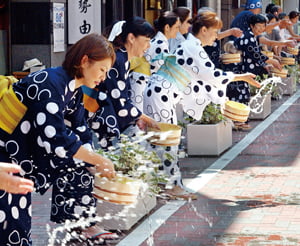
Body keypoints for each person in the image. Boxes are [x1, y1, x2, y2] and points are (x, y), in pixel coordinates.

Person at [0, 33, 116, 245]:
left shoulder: (72, 89)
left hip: (13, 158)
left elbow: (80, 131)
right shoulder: (51, 83)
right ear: (84, 61)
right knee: (10, 223)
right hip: (4, 154)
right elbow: (56, 138)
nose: (103, 77)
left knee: (15, 223)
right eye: (102, 69)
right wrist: (97, 160)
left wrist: (94, 161)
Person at [144, 11, 260, 198]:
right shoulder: (192, 47)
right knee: (167, 141)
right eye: (215, 32)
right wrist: (241, 77)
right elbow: (212, 76)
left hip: (161, 93)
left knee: (163, 140)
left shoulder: (192, 45)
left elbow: (206, 77)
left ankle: (162, 184)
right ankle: (171, 186)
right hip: (161, 94)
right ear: (204, 30)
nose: (216, 37)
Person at [85, 17, 158, 150]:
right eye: (146, 40)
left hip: (103, 117)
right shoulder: (118, 60)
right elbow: (120, 102)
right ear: (131, 38)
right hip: (98, 118)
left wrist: (137, 117)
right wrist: (146, 119)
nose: (149, 46)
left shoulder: (122, 59)